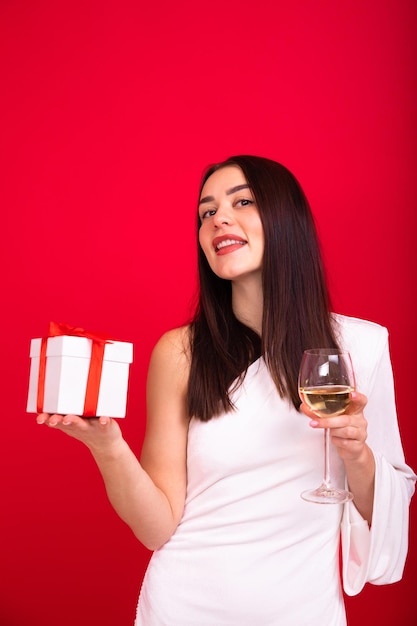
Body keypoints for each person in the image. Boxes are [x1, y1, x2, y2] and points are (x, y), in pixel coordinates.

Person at [37, 155, 416, 626]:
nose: (219, 218)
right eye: (206, 211)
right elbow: (157, 528)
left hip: (303, 611)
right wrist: (107, 445)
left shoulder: (360, 346)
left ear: (286, 220)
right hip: (183, 607)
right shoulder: (180, 352)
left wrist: (358, 453)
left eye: (242, 201)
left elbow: (386, 506)